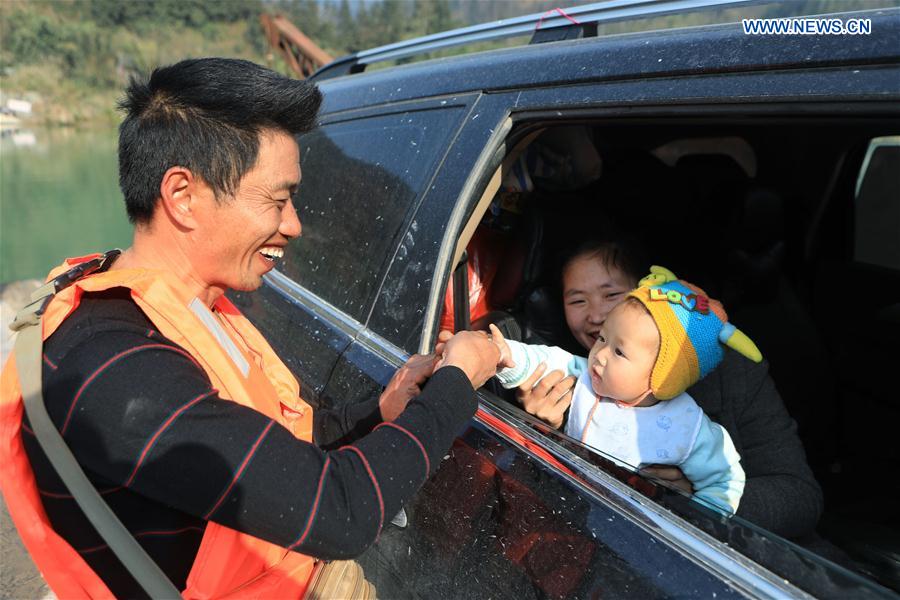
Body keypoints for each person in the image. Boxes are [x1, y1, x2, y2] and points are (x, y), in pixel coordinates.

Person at [0, 58, 500, 599]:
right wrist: (456, 383)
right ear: (183, 196)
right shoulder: (114, 366)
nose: (294, 225)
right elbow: (340, 512)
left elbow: (275, 439)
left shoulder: (191, 308)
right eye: (278, 201)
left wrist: (380, 411)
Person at [512, 239, 824, 538]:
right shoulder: (561, 370)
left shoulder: (730, 372)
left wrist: (700, 499)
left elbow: (800, 497)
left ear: (649, 296)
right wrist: (544, 430)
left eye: (612, 295)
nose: (596, 316)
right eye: (577, 300)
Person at [491, 266, 758, 515]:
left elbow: (724, 481)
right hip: (565, 504)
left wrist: (693, 518)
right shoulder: (583, 375)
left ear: (664, 377)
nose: (599, 355)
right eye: (603, 338)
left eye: (619, 351)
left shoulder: (691, 428)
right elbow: (541, 360)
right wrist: (503, 355)